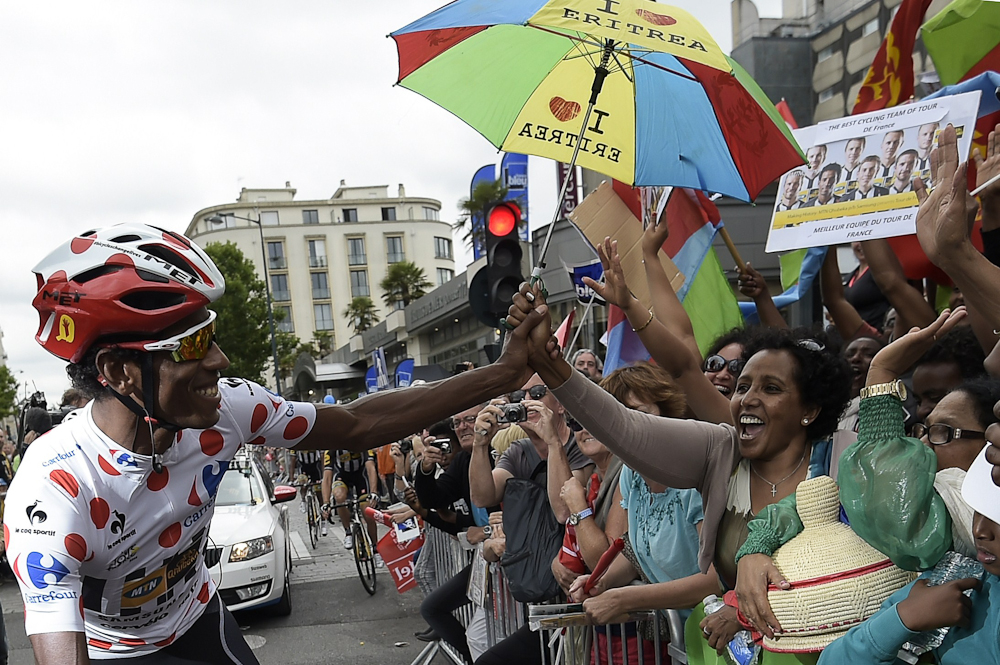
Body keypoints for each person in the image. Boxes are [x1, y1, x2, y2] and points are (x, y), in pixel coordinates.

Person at [5, 223, 544, 664]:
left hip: (198, 623)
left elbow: (357, 424)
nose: (219, 361)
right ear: (119, 371)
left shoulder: (229, 410)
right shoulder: (54, 488)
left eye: (210, 334)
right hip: (113, 652)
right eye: (193, 343)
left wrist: (503, 373)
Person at [506, 282, 852, 662]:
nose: (748, 398)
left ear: (811, 409)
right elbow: (625, 426)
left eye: (771, 388)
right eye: (742, 386)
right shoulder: (721, 449)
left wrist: (740, 606)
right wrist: (552, 364)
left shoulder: (840, 461)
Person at [320, 448, 379, 552]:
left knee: (368, 512)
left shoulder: (362, 441)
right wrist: (326, 503)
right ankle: (348, 532)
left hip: (361, 476)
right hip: (342, 476)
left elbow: (370, 468)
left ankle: (375, 547)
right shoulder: (331, 447)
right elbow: (327, 477)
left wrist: (373, 492)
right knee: (339, 497)